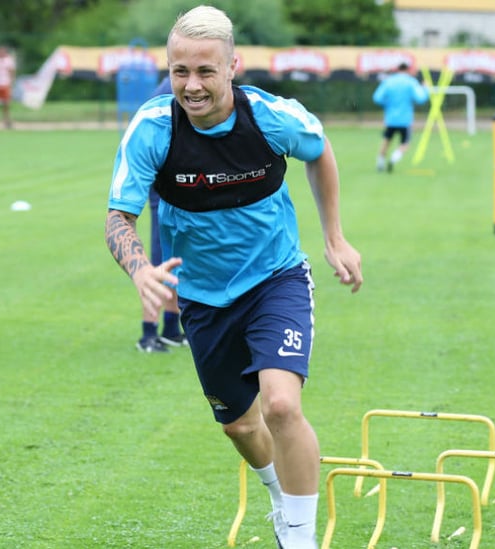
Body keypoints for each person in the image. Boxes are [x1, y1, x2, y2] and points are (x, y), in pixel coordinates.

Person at [104, 6, 362, 548]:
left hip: (276, 278)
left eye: (205, 72)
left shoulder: (270, 117)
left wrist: (334, 236)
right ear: (168, 69)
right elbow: (118, 217)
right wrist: (139, 268)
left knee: (282, 405)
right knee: (241, 427)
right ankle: (278, 495)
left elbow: (320, 150)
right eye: (180, 72)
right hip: (201, 297)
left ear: (232, 67)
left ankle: (301, 537)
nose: (192, 86)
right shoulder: (153, 128)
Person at [136, 75, 187, 353]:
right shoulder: (170, 91)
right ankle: (148, 334)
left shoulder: (187, 82)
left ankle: (170, 328)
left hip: (182, 185)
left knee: (177, 260)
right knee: (159, 261)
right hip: (163, 186)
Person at [372, 62, 428, 172]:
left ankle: (380, 162)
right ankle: (394, 158)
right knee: (405, 143)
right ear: (408, 70)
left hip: (390, 118)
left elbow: (377, 98)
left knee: (386, 140)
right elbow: (421, 99)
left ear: (397, 69)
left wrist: (387, 104)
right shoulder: (411, 82)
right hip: (405, 119)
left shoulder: (389, 81)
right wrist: (425, 89)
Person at [0, 45, 17, 129]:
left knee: (6, 103)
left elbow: (11, 71)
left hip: (5, 83)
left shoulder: (9, 60)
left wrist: (11, 82)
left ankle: (6, 120)